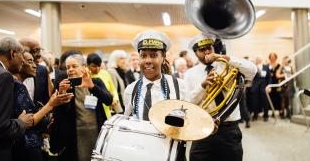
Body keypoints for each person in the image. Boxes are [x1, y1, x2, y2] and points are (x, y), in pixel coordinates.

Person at [184, 33, 257, 161]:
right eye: (202, 50)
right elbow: (188, 103)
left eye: (209, 48)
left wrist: (222, 57)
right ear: (195, 53)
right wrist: (202, 86)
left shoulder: (228, 65)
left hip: (229, 129)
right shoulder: (190, 74)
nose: (207, 52)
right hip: (203, 130)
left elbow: (252, 70)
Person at [124, 30, 187, 161]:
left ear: (163, 58)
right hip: (141, 153)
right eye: (143, 55)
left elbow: (189, 119)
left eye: (153, 55)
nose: (147, 60)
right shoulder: (131, 89)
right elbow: (127, 120)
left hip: (172, 153)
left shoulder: (180, 86)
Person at [12, 50, 73, 161]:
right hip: (25, 146)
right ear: (20, 62)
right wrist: (50, 104)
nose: (35, 65)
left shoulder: (22, 83)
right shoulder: (17, 86)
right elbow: (30, 121)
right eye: (30, 61)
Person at [50, 54, 112, 161]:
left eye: (74, 66)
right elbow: (58, 115)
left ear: (84, 67)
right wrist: (61, 94)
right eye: (68, 67)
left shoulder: (96, 82)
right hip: (74, 137)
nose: (70, 70)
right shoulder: (64, 86)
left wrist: (92, 86)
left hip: (96, 133)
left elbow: (108, 100)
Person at [0, 37, 34, 160]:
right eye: (21, 55)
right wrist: (21, 122)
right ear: (12, 53)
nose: (23, 60)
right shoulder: (3, 76)